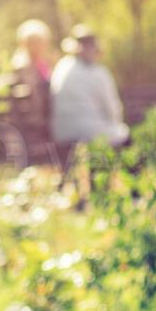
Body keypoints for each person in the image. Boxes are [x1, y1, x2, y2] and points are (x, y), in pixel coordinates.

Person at [50, 24, 129, 205]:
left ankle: (93, 189)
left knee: (100, 138)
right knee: (120, 137)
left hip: (61, 130)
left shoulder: (62, 67)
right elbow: (113, 110)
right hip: (89, 131)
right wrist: (116, 124)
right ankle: (121, 191)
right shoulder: (97, 72)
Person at [9, 19, 55, 163]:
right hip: (36, 116)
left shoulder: (40, 61)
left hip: (44, 111)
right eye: (35, 42)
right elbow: (32, 96)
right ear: (25, 43)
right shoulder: (23, 65)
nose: (40, 46)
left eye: (41, 42)